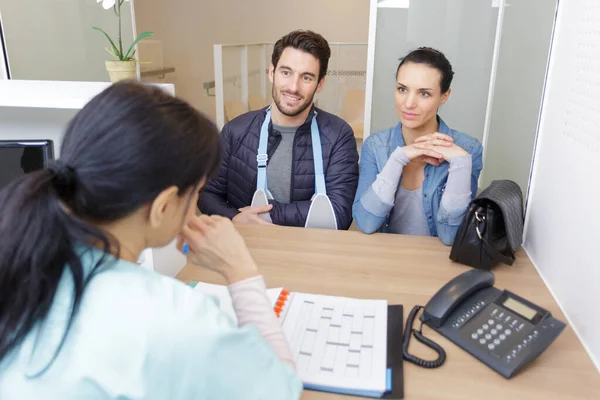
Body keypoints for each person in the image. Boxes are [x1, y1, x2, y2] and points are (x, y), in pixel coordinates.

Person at [0, 82, 302, 399]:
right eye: (196, 192)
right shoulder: (175, 317)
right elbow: (280, 390)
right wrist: (241, 269)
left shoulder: (22, 261)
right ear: (162, 206)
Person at [199, 30, 359, 229]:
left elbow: (340, 214)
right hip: (246, 251)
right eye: (286, 72)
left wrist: (265, 214)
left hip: (313, 254)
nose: (293, 87)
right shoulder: (236, 131)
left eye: (306, 77)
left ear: (320, 84)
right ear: (271, 73)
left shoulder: (338, 135)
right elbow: (207, 195)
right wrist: (234, 217)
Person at [352, 47, 483, 245]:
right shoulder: (376, 146)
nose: (409, 103)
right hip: (383, 262)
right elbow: (366, 222)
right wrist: (398, 159)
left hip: (436, 267)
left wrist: (461, 164)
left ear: (444, 96)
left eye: (424, 93)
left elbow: (450, 236)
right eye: (402, 89)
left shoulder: (467, 149)